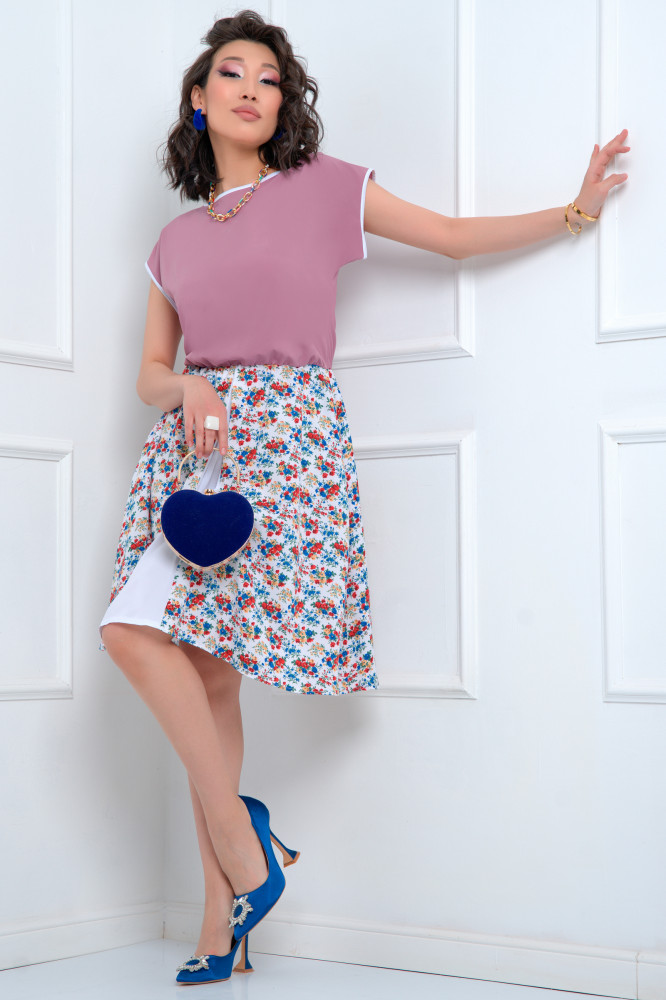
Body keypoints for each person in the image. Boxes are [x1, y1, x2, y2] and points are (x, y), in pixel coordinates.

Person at [99, 8, 630, 986]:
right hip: (195, 455)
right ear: (199, 99)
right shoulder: (172, 240)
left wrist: (575, 211)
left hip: (291, 446)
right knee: (149, 642)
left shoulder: (322, 187)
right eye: (232, 72)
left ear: (283, 104)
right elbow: (148, 373)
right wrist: (188, 388)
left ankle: (227, 902)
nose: (252, 88)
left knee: (212, 671)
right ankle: (244, 859)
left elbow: (452, 238)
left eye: (270, 77)